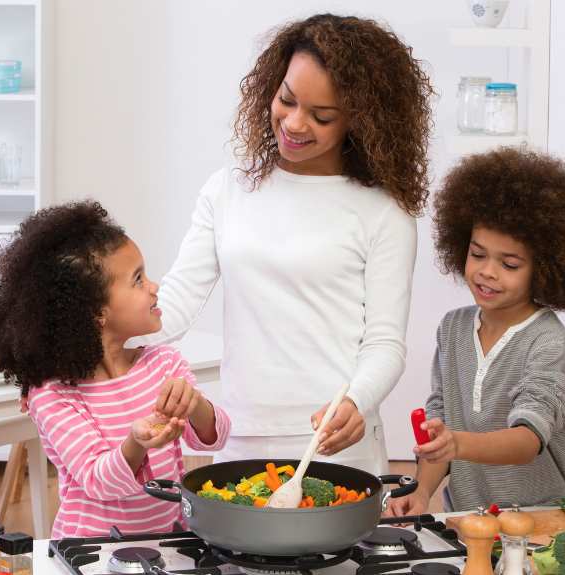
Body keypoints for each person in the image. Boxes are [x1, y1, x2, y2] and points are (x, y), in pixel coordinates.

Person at [139, 13, 434, 475]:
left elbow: (384, 342)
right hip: (240, 435)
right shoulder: (228, 189)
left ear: (361, 120)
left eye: (322, 116)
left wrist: (357, 401)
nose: (294, 124)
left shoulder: (383, 211)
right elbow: (174, 306)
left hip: (335, 440)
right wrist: (80, 340)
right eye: (287, 100)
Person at [0, 201, 230, 537]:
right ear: (97, 313)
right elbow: (99, 480)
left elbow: (217, 437)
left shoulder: (163, 364)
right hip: (92, 555)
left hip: (172, 544)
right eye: (138, 280)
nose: (154, 287)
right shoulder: (55, 395)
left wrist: (195, 403)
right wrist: (136, 443)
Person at [386, 147, 565, 515]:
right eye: (478, 254)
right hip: (469, 517)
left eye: (509, 264)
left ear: (545, 268)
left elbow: (527, 440)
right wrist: (423, 490)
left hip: (545, 519)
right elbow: (439, 427)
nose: (487, 272)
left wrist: (457, 444)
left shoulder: (547, 340)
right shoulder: (453, 328)